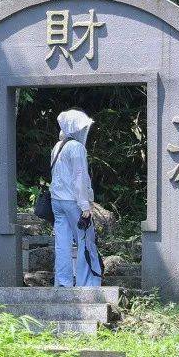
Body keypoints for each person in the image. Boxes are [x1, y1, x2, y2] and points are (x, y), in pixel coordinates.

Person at [50, 109, 102, 288]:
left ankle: (63, 283)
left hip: (57, 201)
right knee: (84, 240)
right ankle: (87, 284)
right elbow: (79, 178)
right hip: (73, 201)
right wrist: (85, 206)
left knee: (62, 243)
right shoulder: (77, 147)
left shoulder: (58, 146)